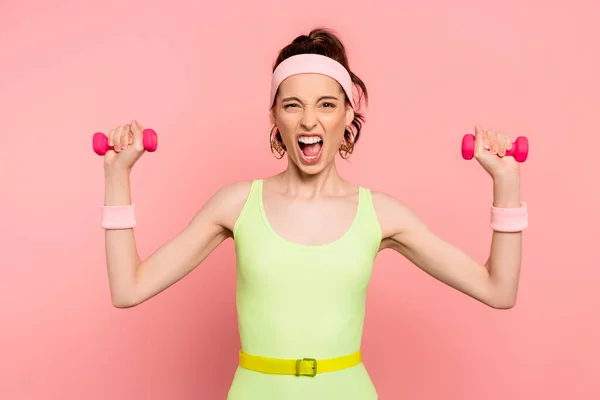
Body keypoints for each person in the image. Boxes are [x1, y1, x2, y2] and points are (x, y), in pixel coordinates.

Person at [100, 27, 527, 400]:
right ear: (274, 115)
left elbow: (497, 289)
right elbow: (128, 288)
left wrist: (506, 184)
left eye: (325, 104)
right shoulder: (236, 204)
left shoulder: (379, 213)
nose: (309, 121)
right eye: (292, 105)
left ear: (347, 115)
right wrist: (117, 175)